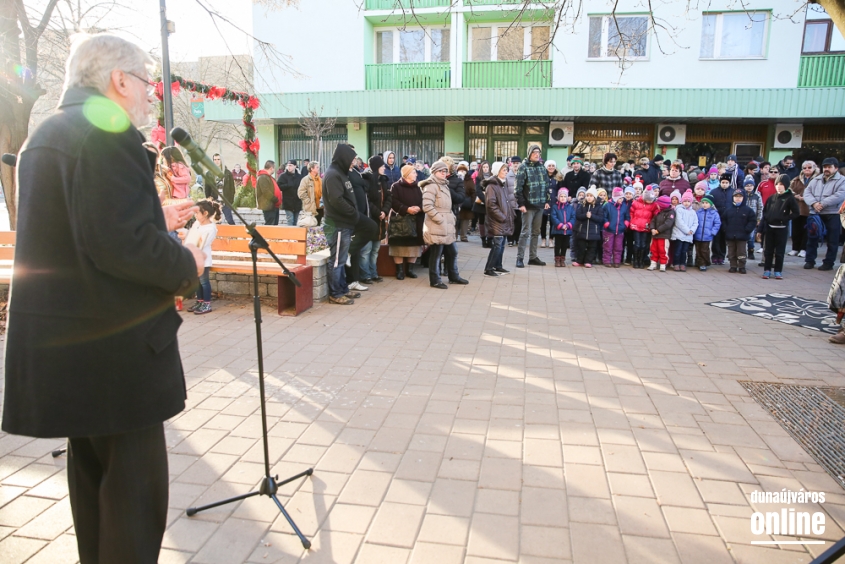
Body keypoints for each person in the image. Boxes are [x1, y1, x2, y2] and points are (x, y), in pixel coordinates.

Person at [3, 33, 205, 564]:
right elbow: (124, 246)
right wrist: (189, 266)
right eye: (144, 82)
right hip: (119, 364)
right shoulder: (107, 132)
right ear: (119, 80)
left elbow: (79, 232)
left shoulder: (47, 135)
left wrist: (150, 217)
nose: (147, 95)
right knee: (135, 510)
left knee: (93, 504)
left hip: (73, 362)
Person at [323, 144, 361, 305]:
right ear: (344, 158)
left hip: (344, 224)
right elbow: (336, 200)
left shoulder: (340, 173)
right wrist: (353, 213)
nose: (353, 162)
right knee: (337, 260)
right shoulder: (333, 175)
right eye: (351, 159)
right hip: (338, 224)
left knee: (342, 259)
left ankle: (343, 288)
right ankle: (335, 293)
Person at [421, 160, 468, 288]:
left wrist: (450, 219)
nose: (443, 173)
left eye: (445, 171)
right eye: (441, 171)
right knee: (436, 253)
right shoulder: (431, 185)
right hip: (436, 224)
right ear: (434, 172)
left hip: (447, 224)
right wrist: (440, 219)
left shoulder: (444, 185)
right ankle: (435, 280)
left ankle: (453, 276)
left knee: (452, 251)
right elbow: (427, 206)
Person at [803, 157, 845, 271]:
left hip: (833, 213)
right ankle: (809, 260)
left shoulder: (842, 180)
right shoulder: (816, 179)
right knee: (812, 238)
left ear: (836, 168)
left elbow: (840, 195)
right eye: (825, 167)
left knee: (832, 240)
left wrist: (823, 203)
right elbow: (807, 193)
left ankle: (828, 263)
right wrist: (814, 203)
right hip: (815, 213)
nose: (826, 169)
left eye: (829, 167)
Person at [180, 199, 221, 314]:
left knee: (204, 281)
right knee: (196, 281)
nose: (195, 215)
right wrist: (185, 237)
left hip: (203, 258)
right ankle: (200, 301)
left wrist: (189, 239)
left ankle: (207, 304)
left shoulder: (211, 228)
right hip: (193, 256)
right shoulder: (197, 224)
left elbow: (202, 243)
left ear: (205, 213)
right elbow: (192, 235)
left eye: (197, 213)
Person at [514, 145, 548, 267]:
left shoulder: (542, 167)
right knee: (525, 232)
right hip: (528, 206)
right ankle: (520, 258)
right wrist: (521, 204)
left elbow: (546, 185)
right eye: (534, 152)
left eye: (538, 152)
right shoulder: (523, 167)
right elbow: (518, 188)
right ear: (529, 153)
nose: (537, 154)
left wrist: (547, 200)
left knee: (536, 232)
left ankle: (533, 257)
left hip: (540, 205)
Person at [761, 174, 800, 279]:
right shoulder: (771, 198)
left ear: (786, 185)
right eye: (777, 184)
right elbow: (765, 212)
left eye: (781, 184)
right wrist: (764, 223)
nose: (779, 186)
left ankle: (778, 271)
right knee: (768, 251)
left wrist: (785, 218)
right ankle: (767, 270)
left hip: (781, 229)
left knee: (779, 252)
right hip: (770, 228)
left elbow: (796, 213)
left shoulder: (789, 198)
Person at [389, 165, 425, 279]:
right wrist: (406, 209)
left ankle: (410, 269)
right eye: (414, 172)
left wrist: (419, 208)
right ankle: (399, 270)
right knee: (398, 244)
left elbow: (426, 200)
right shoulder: (396, 186)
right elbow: (393, 201)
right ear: (407, 174)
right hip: (400, 220)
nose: (416, 174)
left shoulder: (419, 187)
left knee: (414, 245)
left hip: (417, 219)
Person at [360, 155, 392, 284]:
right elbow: (367, 200)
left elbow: (389, 197)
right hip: (370, 219)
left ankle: (373, 273)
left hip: (380, 220)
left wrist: (384, 211)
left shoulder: (383, 180)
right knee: (366, 250)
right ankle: (365, 275)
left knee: (375, 250)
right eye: (382, 166)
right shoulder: (366, 180)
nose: (384, 168)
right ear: (375, 167)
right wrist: (378, 212)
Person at [483, 161, 517, 276]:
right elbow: (491, 205)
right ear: (497, 171)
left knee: (501, 244)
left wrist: (510, 214)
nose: (506, 172)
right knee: (497, 244)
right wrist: (502, 216)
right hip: (497, 220)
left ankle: (498, 265)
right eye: (504, 170)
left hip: (503, 220)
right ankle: (489, 268)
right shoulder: (492, 186)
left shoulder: (503, 183)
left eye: (507, 170)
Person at [789, 161, 819, 258]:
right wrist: (796, 196)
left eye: (809, 167)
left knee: (807, 230)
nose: (807, 169)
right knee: (796, 229)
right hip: (797, 207)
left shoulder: (819, 180)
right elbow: (789, 189)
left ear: (814, 168)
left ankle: (803, 249)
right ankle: (795, 248)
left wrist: (807, 198)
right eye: (804, 168)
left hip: (810, 208)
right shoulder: (796, 179)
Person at [724, 189, 757, 274]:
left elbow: (753, 221)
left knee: (741, 251)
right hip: (730, 235)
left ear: (743, 198)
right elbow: (723, 220)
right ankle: (733, 266)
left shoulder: (748, 210)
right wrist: (726, 229)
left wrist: (747, 229)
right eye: (736, 196)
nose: (738, 198)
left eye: (740, 197)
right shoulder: (728, 210)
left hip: (742, 235)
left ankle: (742, 266)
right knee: (731, 251)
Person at [573, 187, 604, 268]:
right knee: (581, 247)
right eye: (587, 195)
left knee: (592, 248)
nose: (589, 197)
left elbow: (600, 219)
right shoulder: (582, 205)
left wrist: (592, 216)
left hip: (594, 232)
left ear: (594, 197)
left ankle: (588, 261)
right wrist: (585, 216)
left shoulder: (598, 207)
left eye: (591, 196)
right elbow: (578, 216)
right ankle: (579, 260)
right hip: (582, 230)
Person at [709, 172, 736, 265]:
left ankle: (722, 255)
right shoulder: (714, 192)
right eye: (723, 182)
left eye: (726, 182)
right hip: (716, 218)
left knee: (724, 239)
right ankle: (715, 255)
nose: (724, 184)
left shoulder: (733, 192)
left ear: (729, 183)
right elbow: (710, 204)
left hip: (727, 219)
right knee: (716, 238)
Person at [629, 186, 658, 269]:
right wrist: (632, 222)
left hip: (646, 227)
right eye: (648, 200)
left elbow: (655, 215)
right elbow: (631, 212)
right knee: (637, 244)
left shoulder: (653, 205)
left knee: (644, 244)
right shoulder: (636, 203)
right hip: (636, 226)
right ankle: (635, 260)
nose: (649, 201)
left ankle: (641, 260)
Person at [671, 190, 698, 272]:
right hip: (679, 234)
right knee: (678, 250)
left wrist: (692, 230)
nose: (686, 203)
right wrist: (687, 230)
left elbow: (695, 222)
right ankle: (676, 263)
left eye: (688, 201)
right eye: (685, 201)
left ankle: (683, 263)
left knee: (684, 251)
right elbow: (679, 222)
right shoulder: (679, 210)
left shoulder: (693, 212)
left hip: (688, 235)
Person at [602, 187, 630, 268]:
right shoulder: (607, 205)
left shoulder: (624, 206)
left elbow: (627, 216)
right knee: (608, 246)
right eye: (619, 198)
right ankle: (607, 260)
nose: (621, 200)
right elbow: (604, 216)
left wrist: (625, 224)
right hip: (609, 230)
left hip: (620, 230)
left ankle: (617, 261)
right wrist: (607, 224)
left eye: (622, 198)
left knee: (618, 246)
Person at [648, 195, 676, 272]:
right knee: (653, 249)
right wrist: (652, 228)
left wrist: (658, 230)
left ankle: (663, 264)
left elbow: (668, 224)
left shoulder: (671, 212)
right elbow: (653, 221)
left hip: (663, 235)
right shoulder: (658, 212)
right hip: (655, 235)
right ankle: (653, 263)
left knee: (663, 250)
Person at [694, 196, 721, 271]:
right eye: (703, 203)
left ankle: (704, 263)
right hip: (698, 234)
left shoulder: (714, 213)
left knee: (704, 250)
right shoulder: (699, 212)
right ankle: (699, 262)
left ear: (711, 204)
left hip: (707, 235)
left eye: (706, 203)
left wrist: (713, 232)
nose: (704, 204)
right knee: (698, 249)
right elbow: (695, 221)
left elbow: (717, 223)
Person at [550, 188, 575, 267]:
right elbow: (553, 217)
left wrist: (568, 225)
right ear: (558, 197)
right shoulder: (555, 207)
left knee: (564, 245)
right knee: (558, 245)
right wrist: (560, 225)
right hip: (558, 230)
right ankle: (557, 259)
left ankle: (562, 259)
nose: (563, 198)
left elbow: (573, 217)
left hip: (567, 230)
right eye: (561, 196)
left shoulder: (570, 207)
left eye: (565, 196)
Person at [742, 175, 763, 261]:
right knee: (743, 236)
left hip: (752, 219)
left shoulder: (757, 195)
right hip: (743, 219)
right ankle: (743, 252)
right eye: (747, 186)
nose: (749, 187)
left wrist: (759, 219)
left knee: (751, 237)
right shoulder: (742, 195)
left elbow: (760, 208)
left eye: (750, 185)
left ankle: (751, 251)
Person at [542, 160, 563, 248]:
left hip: (554, 201)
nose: (551, 167)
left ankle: (551, 239)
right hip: (544, 201)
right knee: (543, 222)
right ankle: (543, 239)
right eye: (549, 165)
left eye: (553, 165)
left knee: (552, 222)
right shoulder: (542, 176)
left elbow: (561, 189)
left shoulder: (558, 177)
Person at [212, 153, 236, 225]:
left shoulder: (227, 173)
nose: (217, 161)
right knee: (217, 221)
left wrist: (230, 200)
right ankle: (218, 235)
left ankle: (234, 235)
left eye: (218, 159)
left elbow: (232, 188)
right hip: (215, 201)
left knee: (230, 220)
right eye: (215, 159)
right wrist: (209, 200)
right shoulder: (210, 173)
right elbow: (207, 188)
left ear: (221, 160)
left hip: (226, 201)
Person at [277, 160, 302, 226]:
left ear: (295, 166)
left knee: (296, 220)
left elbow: (302, 188)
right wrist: (287, 185)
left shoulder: (299, 177)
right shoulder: (283, 176)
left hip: (297, 202)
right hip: (288, 202)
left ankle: (295, 235)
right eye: (288, 165)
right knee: (290, 219)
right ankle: (290, 235)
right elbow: (279, 186)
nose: (289, 167)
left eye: (290, 165)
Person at [473, 161, 492, 248]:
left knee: (491, 221)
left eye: (487, 167)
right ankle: (483, 239)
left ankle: (490, 239)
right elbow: (478, 190)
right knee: (481, 221)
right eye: (484, 167)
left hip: (491, 202)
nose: (485, 169)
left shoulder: (493, 177)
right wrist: (484, 200)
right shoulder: (479, 178)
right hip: (481, 202)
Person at [256, 160, 281, 225]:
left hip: (273, 205)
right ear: (271, 168)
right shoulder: (263, 177)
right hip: (268, 205)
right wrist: (275, 199)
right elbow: (266, 192)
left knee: (274, 225)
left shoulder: (269, 177)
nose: (274, 170)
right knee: (270, 224)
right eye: (274, 168)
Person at [506, 156, 522, 247]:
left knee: (519, 222)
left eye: (517, 163)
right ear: (511, 164)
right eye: (514, 163)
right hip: (510, 203)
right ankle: (510, 239)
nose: (515, 165)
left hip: (519, 203)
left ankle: (517, 238)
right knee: (510, 222)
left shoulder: (522, 175)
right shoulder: (508, 176)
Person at [458, 162, 476, 242]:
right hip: (457, 202)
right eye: (460, 170)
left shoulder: (469, 179)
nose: (462, 172)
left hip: (466, 203)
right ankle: (454, 236)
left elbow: (473, 191)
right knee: (456, 220)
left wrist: (472, 202)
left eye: (463, 170)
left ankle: (463, 236)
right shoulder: (456, 179)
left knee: (465, 220)